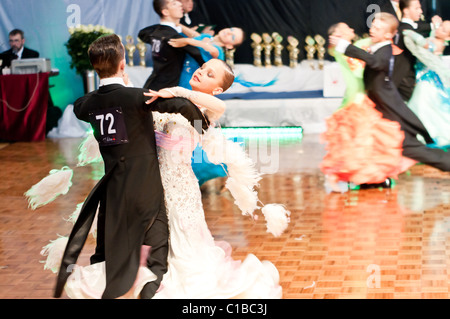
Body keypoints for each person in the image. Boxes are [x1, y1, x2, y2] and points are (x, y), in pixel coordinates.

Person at [47, 59, 285, 299]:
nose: (201, 73)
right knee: (150, 237)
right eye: (202, 68)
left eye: (209, 74)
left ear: (218, 89)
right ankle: (144, 280)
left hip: (179, 187)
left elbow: (219, 108)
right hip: (148, 180)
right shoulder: (169, 101)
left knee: (183, 243)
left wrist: (181, 92)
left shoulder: (203, 111)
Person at [52, 34, 210, 299]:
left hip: (113, 191)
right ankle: (148, 292)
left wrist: (105, 85)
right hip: (146, 189)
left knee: (108, 251)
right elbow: (183, 105)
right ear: (123, 65)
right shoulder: (137, 97)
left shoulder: (87, 105)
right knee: (158, 253)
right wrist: (200, 129)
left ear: (95, 67)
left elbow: (81, 105)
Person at [329, 12, 450, 172]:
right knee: (379, 144)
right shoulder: (374, 45)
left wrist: (345, 46)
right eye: (372, 26)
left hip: (388, 109)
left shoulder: (385, 51)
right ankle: (374, 176)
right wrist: (338, 44)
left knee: (409, 147)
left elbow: (376, 62)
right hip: (379, 108)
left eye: (377, 28)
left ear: (387, 34)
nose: (372, 29)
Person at [321, 22, 414, 192]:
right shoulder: (340, 50)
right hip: (354, 99)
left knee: (368, 138)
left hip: (364, 97)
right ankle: (343, 175)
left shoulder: (356, 46)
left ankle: (371, 175)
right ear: (339, 33)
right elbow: (352, 50)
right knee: (354, 139)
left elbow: (373, 47)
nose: (352, 28)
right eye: (347, 28)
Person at [138, 0, 205, 90]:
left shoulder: (156, 32)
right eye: (174, 3)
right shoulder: (174, 37)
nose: (180, 4)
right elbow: (197, 53)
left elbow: (142, 33)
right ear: (165, 12)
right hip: (165, 89)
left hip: (152, 85)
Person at [403, 22, 450, 147]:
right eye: (440, 27)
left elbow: (425, 45)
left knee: (422, 105)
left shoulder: (438, 44)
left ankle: (424, 136)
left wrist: (411, 34)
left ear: (448, 38)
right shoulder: (434, 36)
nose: (439, 30)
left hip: (428, 80)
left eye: (444, 30)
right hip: (421, 77)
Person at [393, 0, 442, 101]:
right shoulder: (406, 31)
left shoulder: (409, 27)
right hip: (405, 79)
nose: (421, 11)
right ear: (406, 11)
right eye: (417, 8)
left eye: (420, 8)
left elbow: (420, 28)